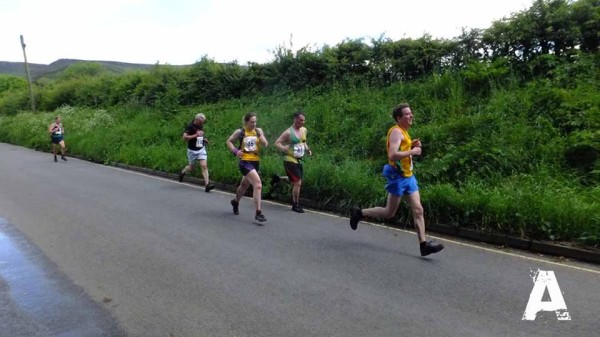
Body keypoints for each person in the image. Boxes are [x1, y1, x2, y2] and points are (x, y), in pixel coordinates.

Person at [349, 103, 444, 257]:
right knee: (389, 213)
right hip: (398, 177)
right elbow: (392, 155)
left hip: (409, 176)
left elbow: (402, 150)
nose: (411, 116)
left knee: (418, 209)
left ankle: (423, 245)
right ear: (399, 118)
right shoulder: (396, 132)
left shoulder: (405, 132)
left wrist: (411, 146)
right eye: (407, 114)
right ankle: (359, 213)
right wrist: (413, 151)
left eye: (411, 113)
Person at [226, 112, 269, 222]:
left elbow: (265, 144)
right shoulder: (240, 132)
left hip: (255, 161)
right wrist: (235, 151)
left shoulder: (258, 131)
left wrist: (261, 135)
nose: (254, 124)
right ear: (246, 122)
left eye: (255, 122)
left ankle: (235, 201)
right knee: (258, 185)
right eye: (251, 122)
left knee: (244, 185)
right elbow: (229, 142)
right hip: (244, 162)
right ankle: (258, 213)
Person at [273, 111, 313, 213]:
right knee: (297, 182)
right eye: (300, 120)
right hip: (290, 160)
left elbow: (303, 142)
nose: (302, 122)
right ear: (295, 119)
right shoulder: (288, 132)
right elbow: (277, 143)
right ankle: (295, 204)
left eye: (304, 120)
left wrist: (307, 149)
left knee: (295, 181)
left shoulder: (304, 130)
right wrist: (283, 148)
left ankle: (278, 179)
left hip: (299, 160)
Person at [178, 113, 215, 192]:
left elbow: (200, 136)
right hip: (192, 150)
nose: (202, 124)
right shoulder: (190, 126)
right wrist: (195, 135)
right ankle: (183, 172)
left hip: (201, 149)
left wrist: (204, 139)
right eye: (201, 122)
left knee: (204, 166)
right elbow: (184, 138)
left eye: (203, 122)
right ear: (196, 120)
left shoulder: (200, 126)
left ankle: (207, 185)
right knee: (191, 168)